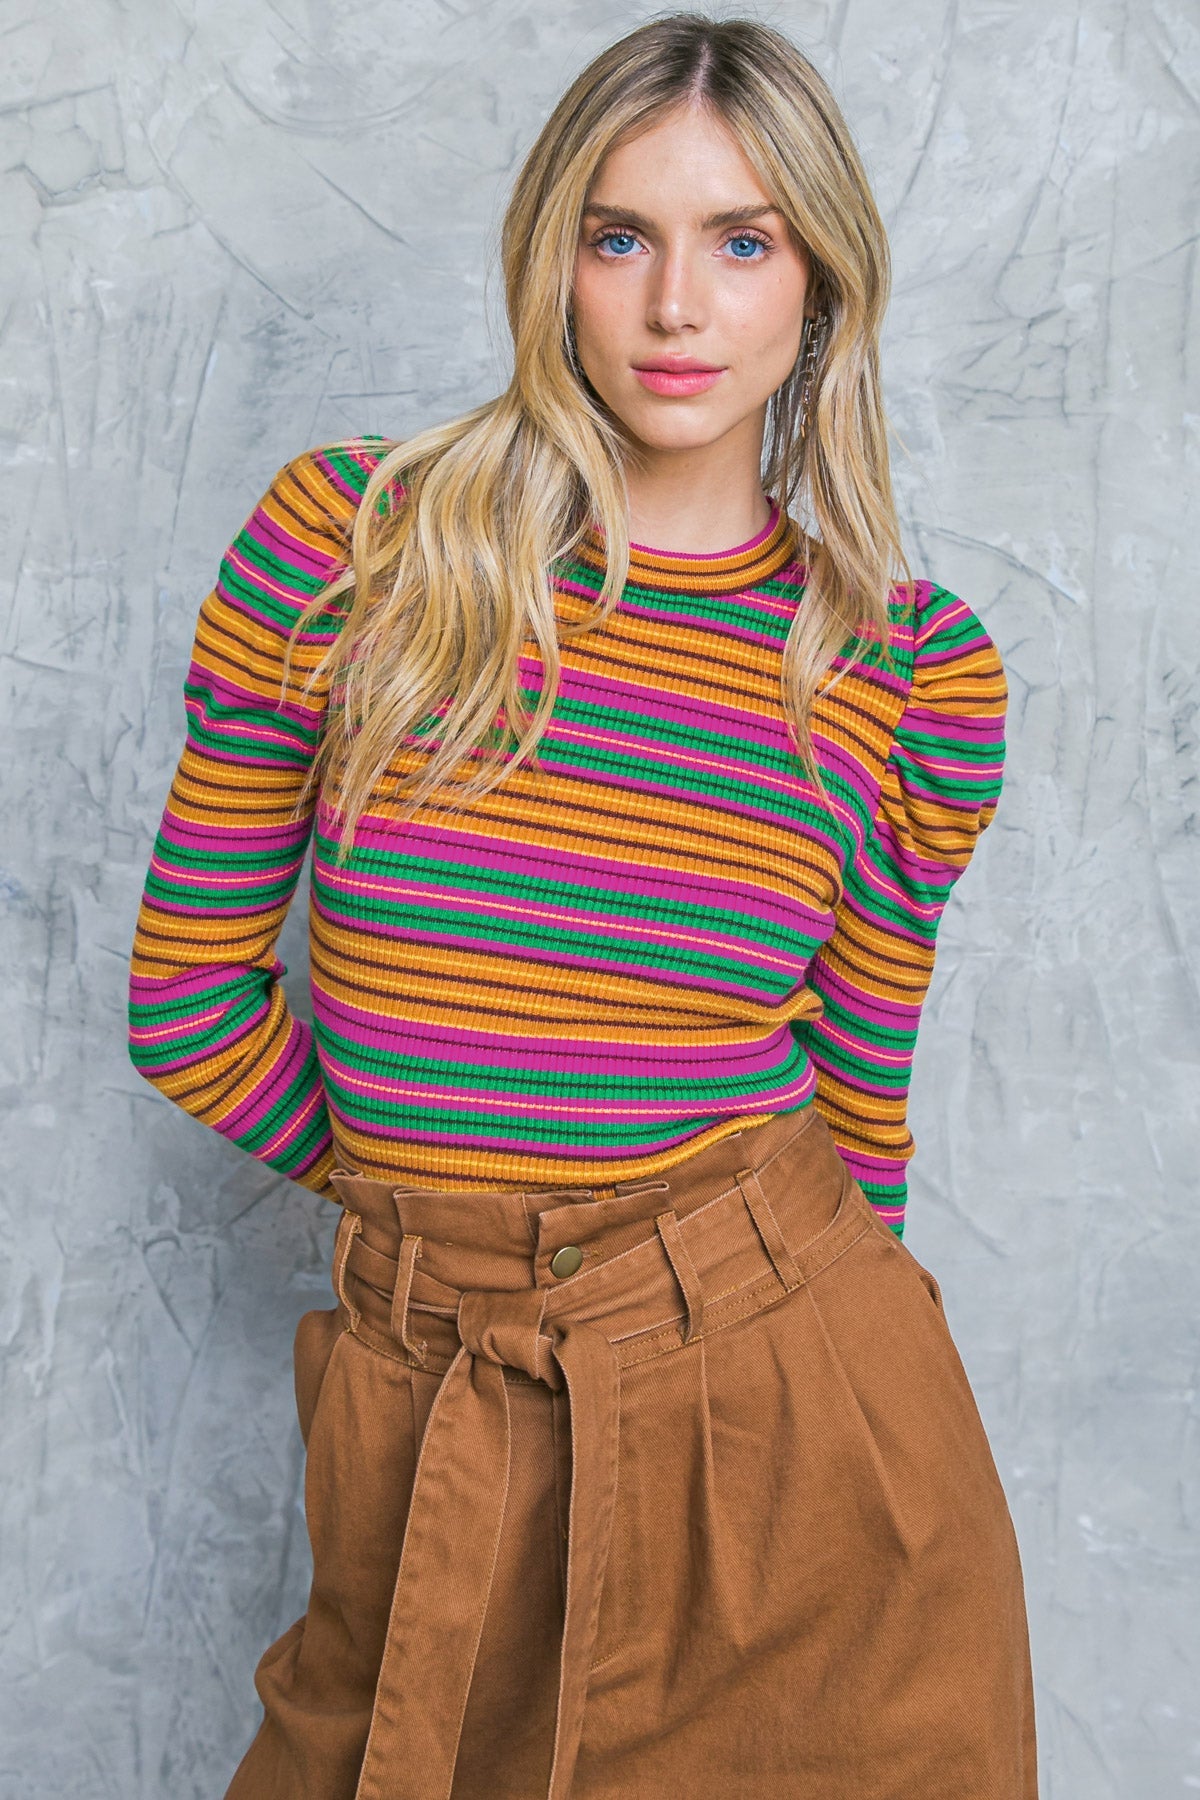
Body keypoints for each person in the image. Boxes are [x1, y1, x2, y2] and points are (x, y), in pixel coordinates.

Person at [127, 13, 1038, 1797]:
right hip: (434, 1385)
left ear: (820, 284)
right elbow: (188, 1007)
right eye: (622, 237)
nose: (676, 306)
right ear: (552, 259)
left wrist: (699, 1289)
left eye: (743, 242)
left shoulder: (908, 672)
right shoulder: (354, 549)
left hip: (788, 1423)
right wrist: (450, 1230)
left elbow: (859, 1112)